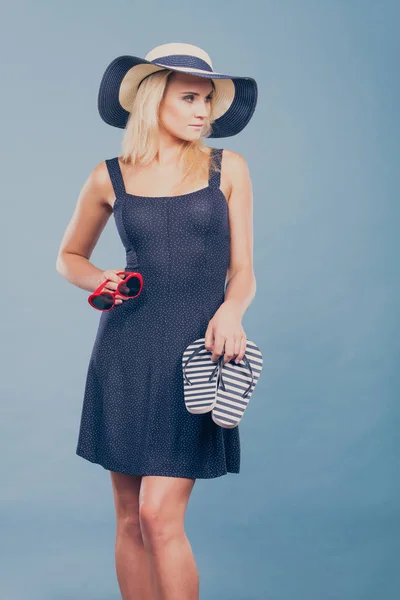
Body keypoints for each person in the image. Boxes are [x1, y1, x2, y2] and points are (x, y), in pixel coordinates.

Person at [56, 42, 258, 600]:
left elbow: (243, 271)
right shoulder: (108, 176)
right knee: (128, 518)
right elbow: (67, 257)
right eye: (189, 97)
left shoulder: (229, 168)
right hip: (125, 352)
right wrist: (102, 279)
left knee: (159, 516)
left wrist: (232, 310)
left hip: (196, 353)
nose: (202, 111)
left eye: (207, 101)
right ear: (153, 100)